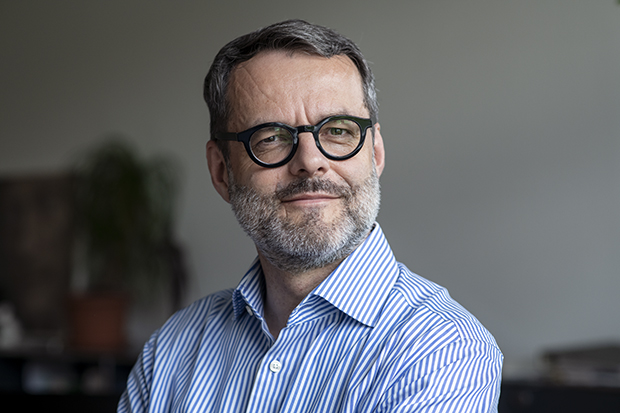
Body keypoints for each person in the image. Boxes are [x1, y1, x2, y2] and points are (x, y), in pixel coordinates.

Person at [118, 19, 502, 412]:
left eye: (338, 131)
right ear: (221, 171)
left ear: (375, 153)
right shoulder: (170, 351)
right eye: (270, 137)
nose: (310, 161)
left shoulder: (444, 352)